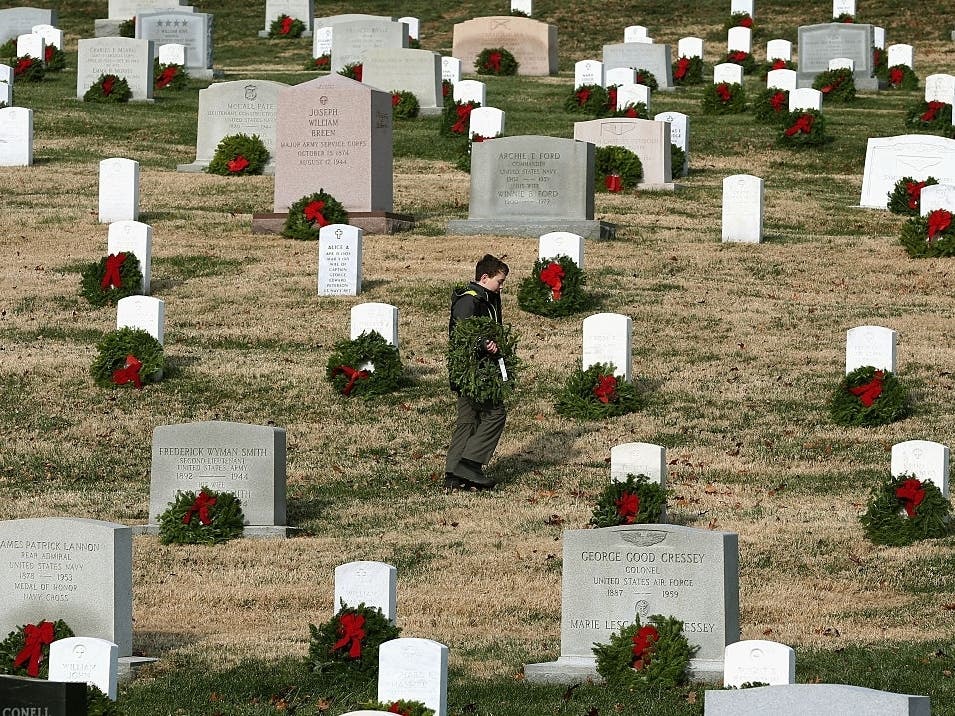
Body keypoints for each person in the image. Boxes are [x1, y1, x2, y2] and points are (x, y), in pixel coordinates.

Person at [445, 254, 510, 492]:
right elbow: (463, 331)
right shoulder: (470, 301)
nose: (501, 286)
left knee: (467, 420)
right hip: (473, 370)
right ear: (484, 277)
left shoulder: (489, 299)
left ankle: (453, 475)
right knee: (495, 413)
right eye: (499, 281)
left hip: (475, 369)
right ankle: (469, 464)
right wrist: (483, 343)